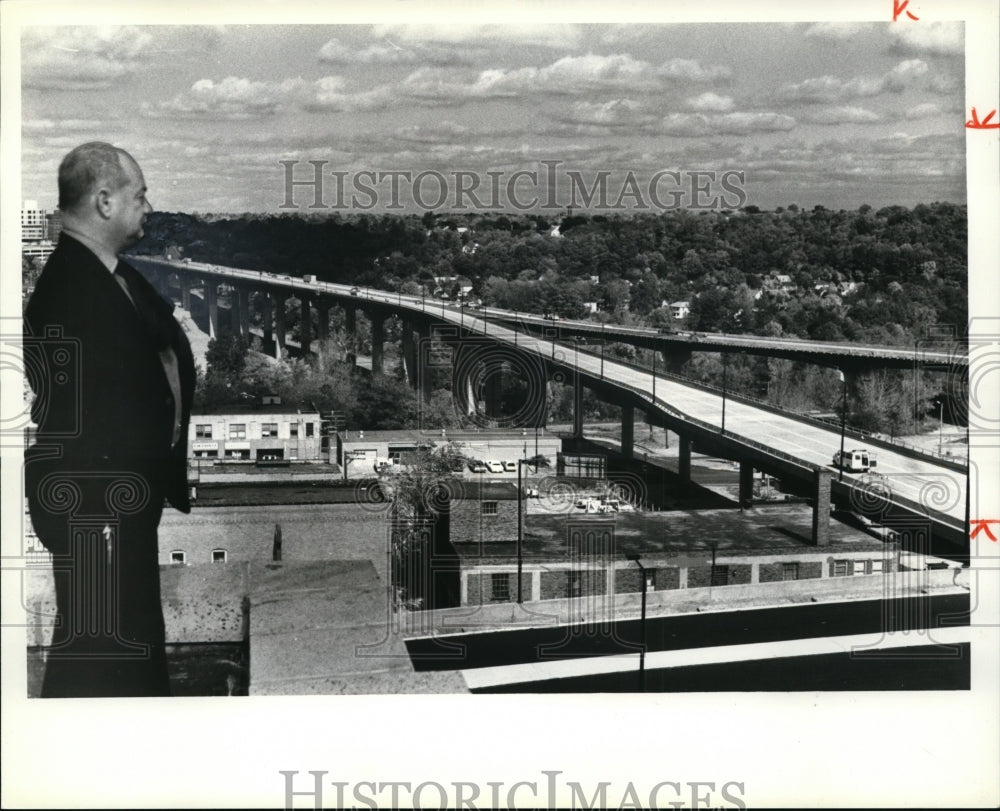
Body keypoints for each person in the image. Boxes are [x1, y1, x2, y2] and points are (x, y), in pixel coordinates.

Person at [24, 142, 195, 697]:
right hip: (96, 509)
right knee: (103, 649)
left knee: (119, 643)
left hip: (117, 504)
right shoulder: (70, 291)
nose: (148, 206)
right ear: (103, 201)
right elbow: (82, 420)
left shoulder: (108, 275)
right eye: (139, 195)